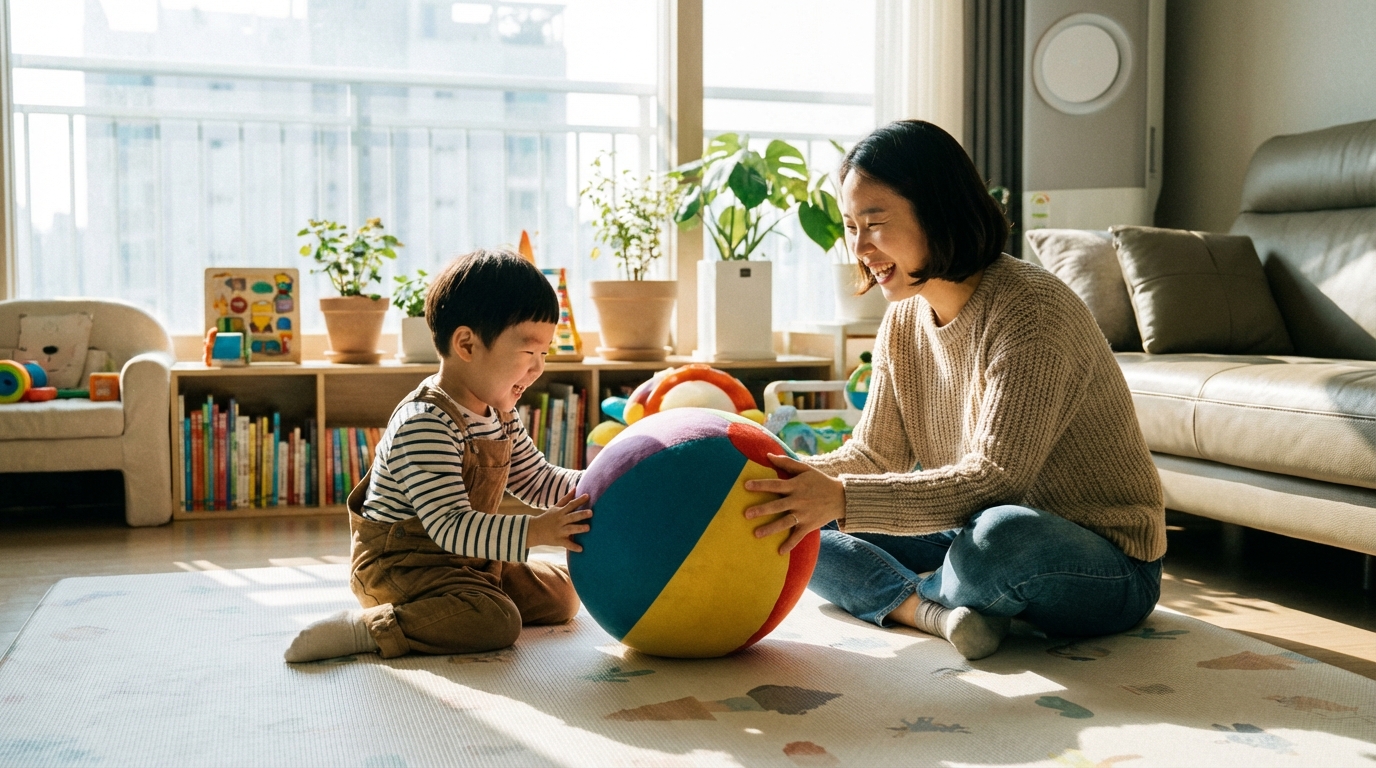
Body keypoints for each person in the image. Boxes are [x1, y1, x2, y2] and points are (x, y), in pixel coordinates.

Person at [741, 120, 1165, 660]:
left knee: (1001, 537)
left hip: (1105, 562)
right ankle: (937, 613)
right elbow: (874, 456)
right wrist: (772, 480)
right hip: (966, 526)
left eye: (875, 223)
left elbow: (996, 480)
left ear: (937, 211)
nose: (860, 247)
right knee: (802, 526)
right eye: (851, 226)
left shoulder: (1031, 311)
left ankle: (910, 595)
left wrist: (842, 497)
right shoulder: (903, 321)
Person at [284, 249, 592, 663]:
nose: (538, 369)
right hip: (404, 568)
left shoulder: (500, 414)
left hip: (472, 559)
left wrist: (601, 482)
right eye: (528, 352)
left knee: (564, 594)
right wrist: (537, 531)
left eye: (545, 354)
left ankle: (472, 596)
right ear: (467, 344)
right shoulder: (425, 422)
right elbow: (450, 525)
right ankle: (369, 627)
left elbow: (537, 480)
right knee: (496, 622)